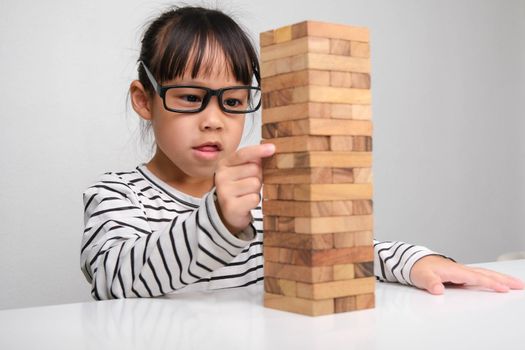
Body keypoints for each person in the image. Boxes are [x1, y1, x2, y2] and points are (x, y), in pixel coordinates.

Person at [80, 5, 523, 300]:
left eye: (233, 102)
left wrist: (416, 261)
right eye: (190, 97)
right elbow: (113, 281)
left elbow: (335, 248)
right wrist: (217, 219)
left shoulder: (265, 198)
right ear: (144, 99)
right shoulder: (118, 196)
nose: (213, 119)